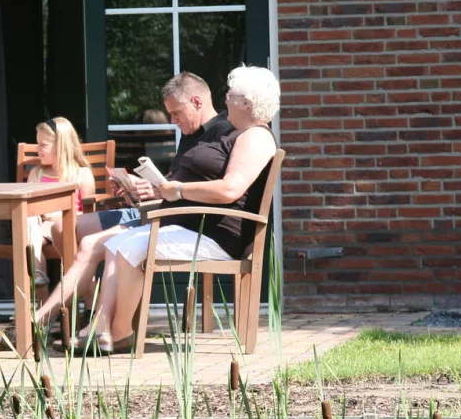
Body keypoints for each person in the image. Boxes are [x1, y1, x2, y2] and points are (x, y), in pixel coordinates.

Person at [79, 65, 280, 356]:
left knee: (128, 247)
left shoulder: (256, 137)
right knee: (118, 243)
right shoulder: (245, 134)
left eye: (231, 95)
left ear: (247, 102)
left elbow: (229, 190)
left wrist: (179, 190)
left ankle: (121, 332)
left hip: (221, 237)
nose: (225, 100)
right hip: (204, 228)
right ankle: (106, 328)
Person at [33, 71, 233, 337]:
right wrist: (134, 189)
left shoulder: (221, 136)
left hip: (164, 217)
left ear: (197, 102)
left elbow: (194, 191)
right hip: (144, 209)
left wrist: (160, 191)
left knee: (90, 244)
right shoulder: (189, 135)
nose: (173, 121)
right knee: (61, 227)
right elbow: (171, 186)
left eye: (176, 113)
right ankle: (87, 300)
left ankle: (45, 321)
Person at [24, 116, 97, 284]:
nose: (37, 149)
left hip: (70, 225)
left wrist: (58, 214)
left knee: (30, 228)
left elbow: (88, 212)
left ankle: (87, 300)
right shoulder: (37, 173)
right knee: (27, 222)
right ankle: (37, 274)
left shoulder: (81, 174)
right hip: (42, 227)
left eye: (43, 144)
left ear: (60, 145)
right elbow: (28, 206)